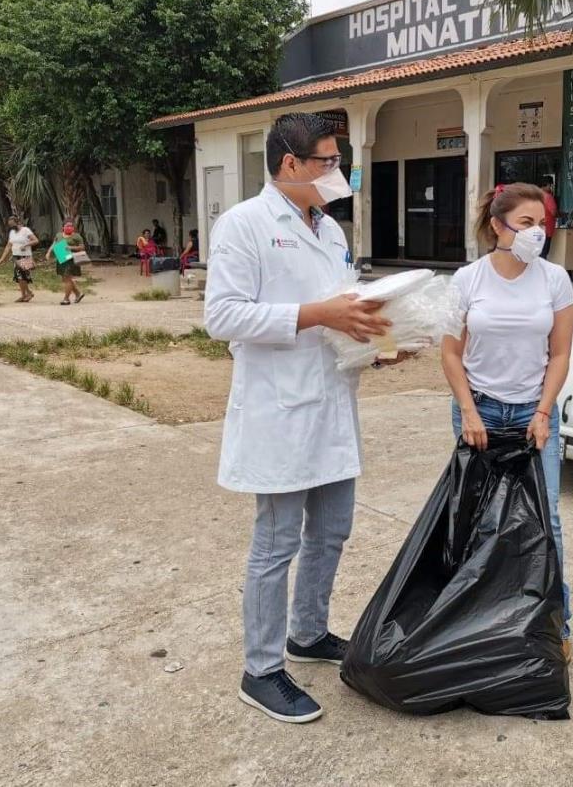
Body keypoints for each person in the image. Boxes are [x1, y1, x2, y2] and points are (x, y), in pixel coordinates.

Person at [204, 112, 394, 725]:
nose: (339, 174)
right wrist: (319, 315)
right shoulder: (245, 225)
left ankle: (307, 633)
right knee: (276, 544)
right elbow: (225, 317)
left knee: (331, 531)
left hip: (332, 403)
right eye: (329, 163)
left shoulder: (332, 231)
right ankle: (260, 670)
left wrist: (378, 339)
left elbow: (344, 309)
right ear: (291, 165)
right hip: (279, 410)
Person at [442, 182, 573, 662]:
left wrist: (543, 412)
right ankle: (480, 621)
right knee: (479, 517)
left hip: (533, 413)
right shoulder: (468, 280)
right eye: (526, 223)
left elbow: (560, 352)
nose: (537, 232)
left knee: (547, 518)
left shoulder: (554, 279)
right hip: (480, 408)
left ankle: (555, 624)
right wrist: (469, 412)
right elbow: (451, 353)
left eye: (542, 223)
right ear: (498, 225)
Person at [0, 216, 39, 303]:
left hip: (25, 256)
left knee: (23, 276)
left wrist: (26, 245)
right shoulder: (12, 232)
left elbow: (36, 240)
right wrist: (2, 258)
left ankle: (27, 294)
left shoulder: (25, 230)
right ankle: (25, 294)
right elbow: (8, 246)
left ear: (17, 222)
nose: (11, 227)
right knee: (19, 277)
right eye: (10, 225)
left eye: (12, 224)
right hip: (16, 256)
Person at [52, 219, 86, 305]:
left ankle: (66, 299)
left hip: (71, 259)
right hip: (61, 258)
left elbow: (82, 248)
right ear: (63, 227)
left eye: (71, 226)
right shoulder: (59, 235)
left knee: (67, 278)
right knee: (65, 278)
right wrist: (49, 253)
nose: (69, 227)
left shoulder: (77, 236)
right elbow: (54, 244)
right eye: (67, 226)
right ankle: (78, 294)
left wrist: (71, 248)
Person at [539, 177, 559, 260]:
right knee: (543, 253)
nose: (551, 188)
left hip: (536, 227)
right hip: (546, 229)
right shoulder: (548, 197)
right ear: (547, 184)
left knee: (537, 252)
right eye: (550, 185)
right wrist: (561, 214)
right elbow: (554, 212)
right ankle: (541, 272)